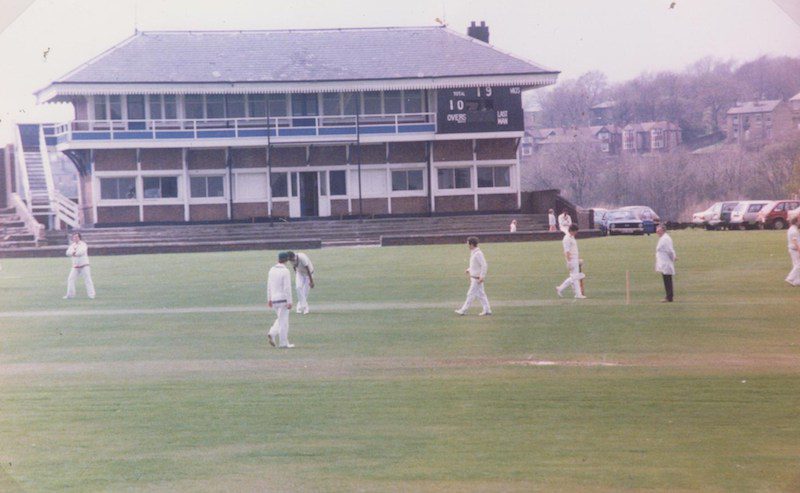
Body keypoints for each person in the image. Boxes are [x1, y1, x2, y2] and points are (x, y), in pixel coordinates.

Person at [455, 236, 492, 316]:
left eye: (468, 244)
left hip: (477, 279)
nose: (467, 245)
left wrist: (482, 276)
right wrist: (469, 269)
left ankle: (463, 310)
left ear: (472, 244)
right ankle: (487, 310)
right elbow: (475, 265)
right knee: (481, 294)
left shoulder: (478, 253)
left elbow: (484, 265)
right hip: (474, 278)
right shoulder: (474, 252)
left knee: (470, 294)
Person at [267, 251, 294, 348]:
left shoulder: (271, 270)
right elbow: (287, 288)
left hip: (274, 299)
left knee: (280, 319)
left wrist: (269, 298)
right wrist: (290, 301)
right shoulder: (285, 271)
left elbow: (269, 285)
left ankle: (272, 333)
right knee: (284, 322)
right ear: (286, 260)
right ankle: (283, 343)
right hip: (283, 299)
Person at [556, 224, 586, 299]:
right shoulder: (566, 239)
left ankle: (560, 288)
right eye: (575, 232)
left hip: (575, 259)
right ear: (572, 231)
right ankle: (578, 294)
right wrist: (569, 262)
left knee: (573, 277)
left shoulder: (572, 237)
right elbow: (567, 252)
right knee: (575, 277)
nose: (576, 233)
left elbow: (574, 250)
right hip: (571, 260)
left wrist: (578, 259)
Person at [64, 233, 95, 299]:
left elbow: (80, 252)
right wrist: (73, 252)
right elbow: (67, 253)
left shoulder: (83, 244)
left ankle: (91, 295)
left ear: (79, 238)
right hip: (75, 266)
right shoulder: (72, 245)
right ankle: (70, 295)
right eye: (74, 237)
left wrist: (73, 253)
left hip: (84, 265)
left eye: (76, 237)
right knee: (70, 279)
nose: (75, 238)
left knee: (87, 279)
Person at [655, 224, 677, 302]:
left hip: (666, 261)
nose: (657, 232)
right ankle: (669, 296)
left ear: (663, 230)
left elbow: (670, 250)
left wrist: (673, 257)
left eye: (659, 230)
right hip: (663, 262)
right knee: (666, 279)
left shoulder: (665, 239)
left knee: (667, 279)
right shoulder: (663, 238)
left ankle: (669, 297)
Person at [785, 216, 800, 287]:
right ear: (796, 222)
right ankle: (790, 278)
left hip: (792, 249)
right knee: (798, 265)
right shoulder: (794, 231)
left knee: (795, 264)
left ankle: (796, 281)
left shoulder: (791, 229)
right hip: (794, 250)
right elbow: (795, 241)